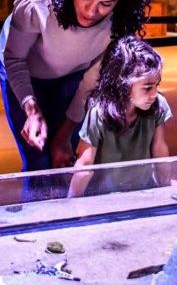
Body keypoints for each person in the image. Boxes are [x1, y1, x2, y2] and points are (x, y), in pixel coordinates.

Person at [0, 0, 151, 201]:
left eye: (106, 4)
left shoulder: (120, 21)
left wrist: (65, 132)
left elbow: (92, 79)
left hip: (75, 75)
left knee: (65, 153)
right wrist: (31, 109)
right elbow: (14, 59)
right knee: (38, 162)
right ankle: (36, 231)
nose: (92, 11)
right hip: (24, 73)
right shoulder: (37, 1)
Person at [67, 36, 171, 198]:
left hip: (144, 192)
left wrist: (167, 190)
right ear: (124, 84)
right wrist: (72, 206)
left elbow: (159, 150)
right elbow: (84, 166)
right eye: (147, 88)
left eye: (156, 86)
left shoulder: (158, 105)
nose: (154, 94)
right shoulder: (99, 113)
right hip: (105, 197)